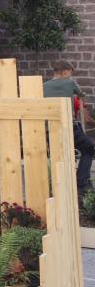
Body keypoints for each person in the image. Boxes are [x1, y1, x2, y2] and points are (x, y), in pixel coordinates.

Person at [43, 60, 94, 195]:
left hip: (49, 127)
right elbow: (81, 94)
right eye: (70, 73)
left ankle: (60, 183)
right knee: (89, 148)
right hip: (67, 125)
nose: (70, 76)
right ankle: (82, 181)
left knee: (59, 154)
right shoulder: (70, 82)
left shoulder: (44, 86)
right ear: (65, 71)